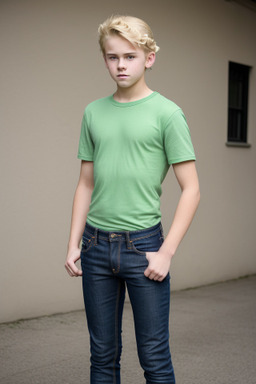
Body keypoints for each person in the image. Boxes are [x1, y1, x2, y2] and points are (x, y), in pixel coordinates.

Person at [65, 15, 200, 384]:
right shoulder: (93, 112)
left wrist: (166, 252)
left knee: (154, 357)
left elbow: (192, 189)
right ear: (104, 59)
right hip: (94, 246)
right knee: (102, 357)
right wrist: (73, 243)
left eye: (130, 56)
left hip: (144, 246)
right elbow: (85, 184)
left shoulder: (167, 114)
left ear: (149, 58)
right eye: (112, 57)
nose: (121, 65)